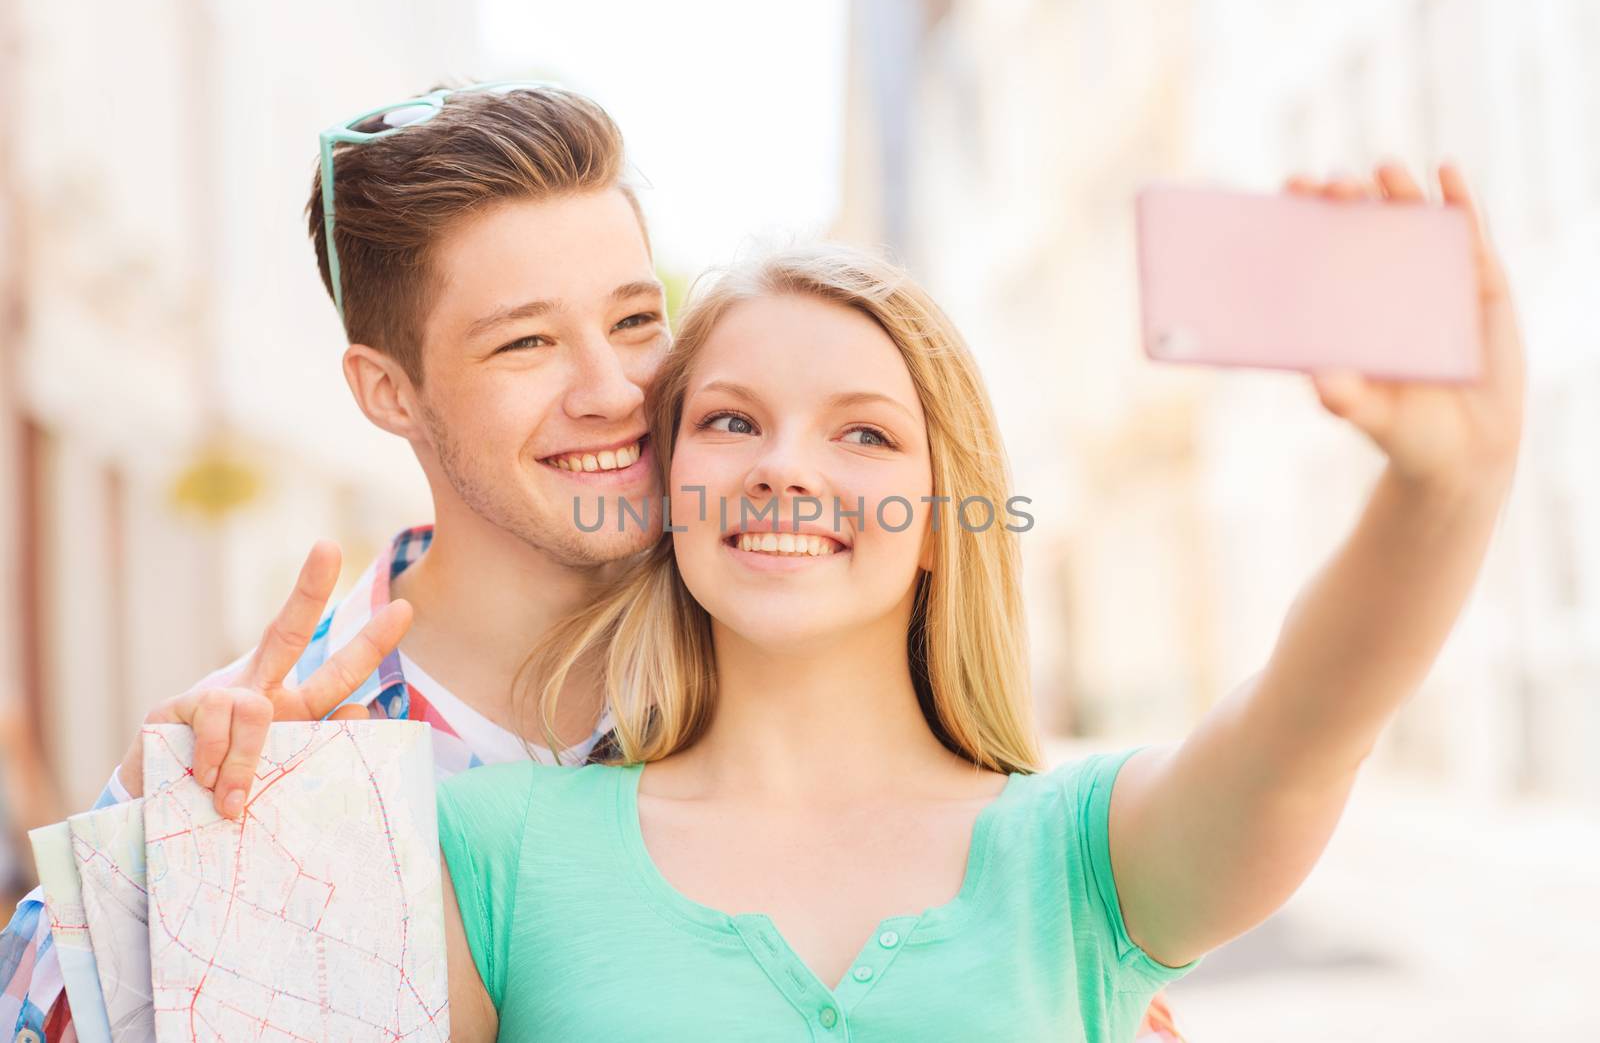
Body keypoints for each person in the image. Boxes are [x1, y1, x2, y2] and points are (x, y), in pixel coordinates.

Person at [0, 79, 1180, 1043]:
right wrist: (173, 864)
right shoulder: (279, 747)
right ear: (387, 390)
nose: (613, 392)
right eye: (526, 342)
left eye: (632, 319)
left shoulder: (789, 609)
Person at [432, 161, 1523, 1039]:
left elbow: (1310, 718)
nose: (783, 468)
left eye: (863, 431)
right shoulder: (490, 849)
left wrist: (1445, 486)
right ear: (667, 485)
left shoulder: (1086, 859)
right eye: (728, 421)